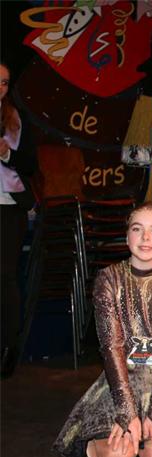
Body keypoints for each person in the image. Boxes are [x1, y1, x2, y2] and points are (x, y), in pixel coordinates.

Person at [53, 203, 152, 457]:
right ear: (127, 235)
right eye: (137, 229)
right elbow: (111, 346)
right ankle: (98, 442)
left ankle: (148, 439)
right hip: (120, 377)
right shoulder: (108, 278)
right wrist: (126, 410)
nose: (146, 238)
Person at [0, 61, 37, 377]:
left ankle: (8, 348)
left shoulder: (16, 119)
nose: (0, 88)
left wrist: (7, 154)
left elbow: (30, 165)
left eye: (4, 83)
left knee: (5, 276)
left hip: (9, 207)